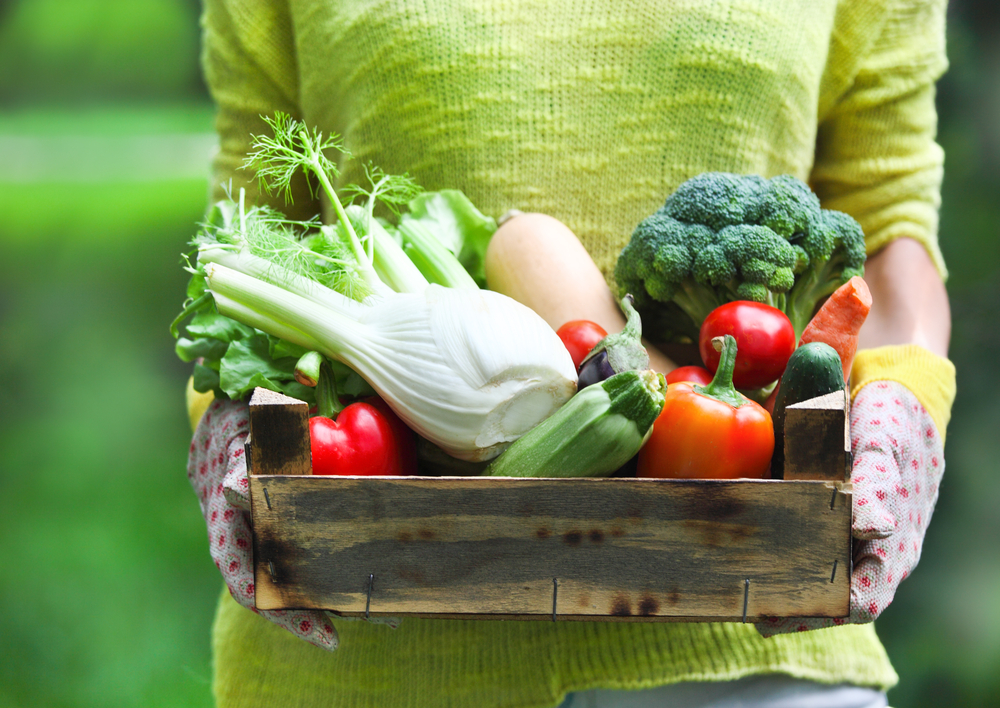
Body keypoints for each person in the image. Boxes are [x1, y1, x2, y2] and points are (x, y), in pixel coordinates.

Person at [185, 0, 956, 706]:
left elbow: (888, 216)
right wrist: (229, 422)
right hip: (361, 658)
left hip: (754, 651)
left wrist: (905, 402)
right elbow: (250, 230)